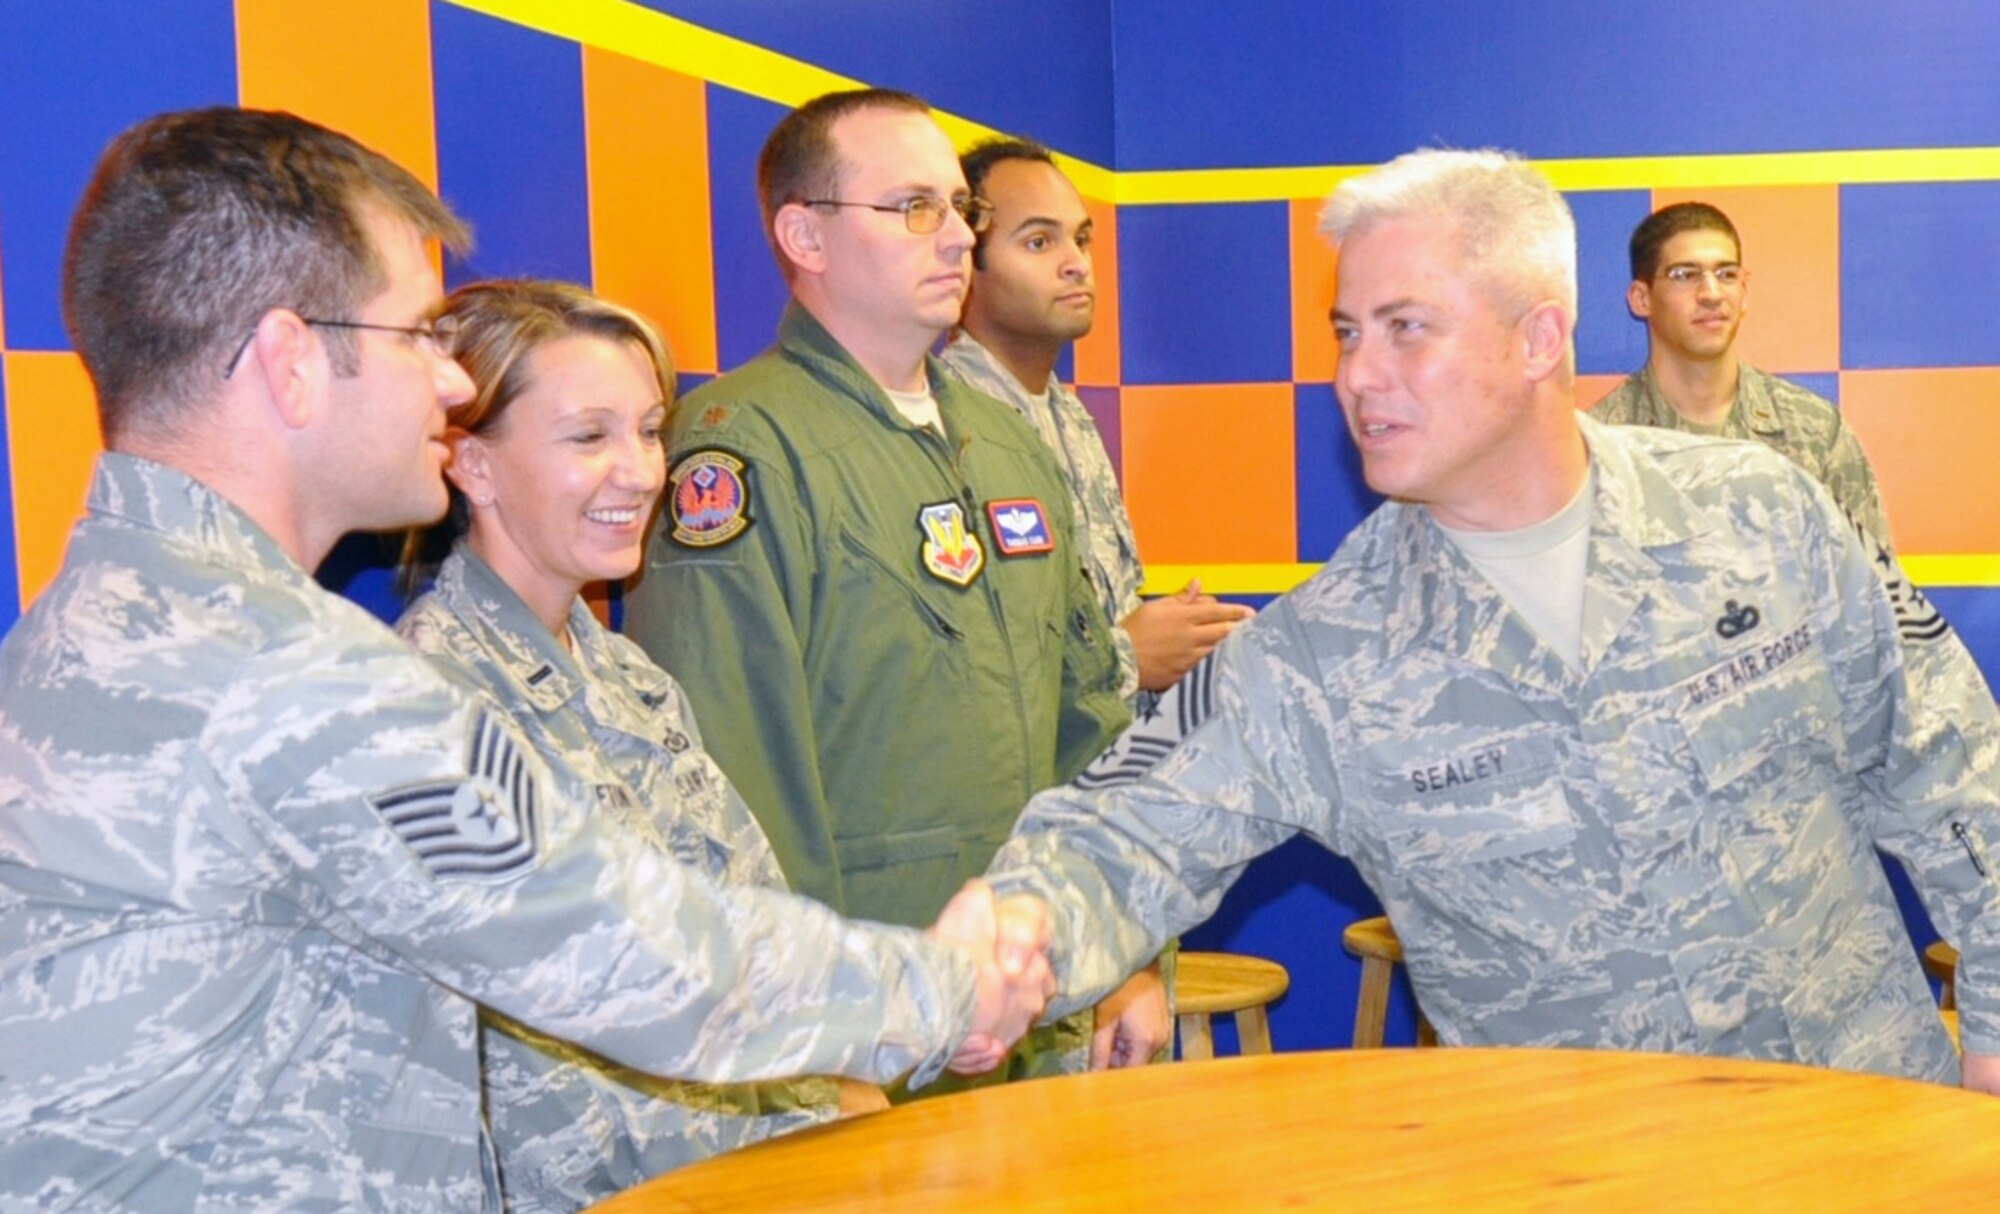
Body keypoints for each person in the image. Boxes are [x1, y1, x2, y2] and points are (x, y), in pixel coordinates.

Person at [0, 106, 1051, 1212]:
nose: (452, 388)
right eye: (416, 337)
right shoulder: (286, 677)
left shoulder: (113, 614)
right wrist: (949, 986)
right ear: (291, 361)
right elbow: (634, 953)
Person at [982, 148, 2000, 1095]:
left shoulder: (1761, 512)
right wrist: (994, 945)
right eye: (1345, 333)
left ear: (1537, 338)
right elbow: (1114, 834)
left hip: (1856, 1129)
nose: (1356, 375)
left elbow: (1951, 767)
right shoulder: (1327, 649)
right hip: (1575, 1169)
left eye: (1404, 327)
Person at [624, 89, 1158, 1079]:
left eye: (960, 209)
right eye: (913, 207)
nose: (954, 236)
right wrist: (814, 1049)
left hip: (1037, 1003)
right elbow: (733, 780)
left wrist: (1120, 946)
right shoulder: (739, 452)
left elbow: (1090, 715)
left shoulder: (1005, 439)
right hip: (870, 1028)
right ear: (804, 234)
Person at [395, 279, 888, 1211]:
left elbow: (747, 917)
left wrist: (824, 1085)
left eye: (650, 429)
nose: (640, 471)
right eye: (589, 437)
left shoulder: (629, 676)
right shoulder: (434, 703)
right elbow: (536, 1073)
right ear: (473, 464)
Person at [941, 138, 1254, 705]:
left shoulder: (1070, 415)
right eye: (1039, 241)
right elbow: (955, 667)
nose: (1076, 263)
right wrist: (1129, 657)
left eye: (1081, 239)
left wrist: (1173, 639)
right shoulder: (942, 429)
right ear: (966, 260)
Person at [1590, 201, 1893, 550]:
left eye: (1726, 274)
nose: (1711, 293)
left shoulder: (1814, 434)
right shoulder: (1604, 446)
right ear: (1642, 298)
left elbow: (1875, 592)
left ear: (1744, 294)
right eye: (1685, 275)